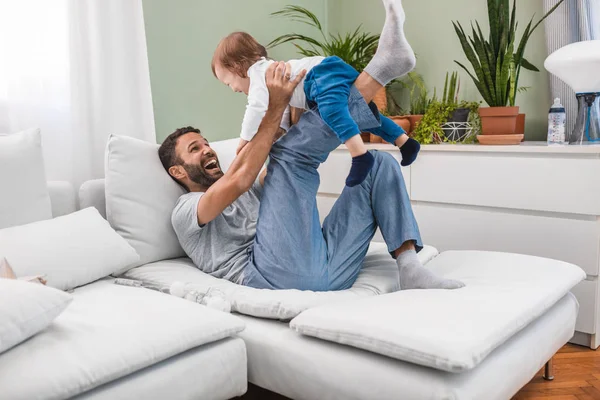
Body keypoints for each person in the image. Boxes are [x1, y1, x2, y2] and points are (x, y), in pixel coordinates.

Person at [158, 0, 465, 292]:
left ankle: (409, 266)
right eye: (195, 149)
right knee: (285, 158)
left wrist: (295, 107)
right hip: (271, 272)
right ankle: (381, 69)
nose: (208, 150)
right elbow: (241, 178)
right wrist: (274, 107)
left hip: (327, 267)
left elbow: (281, 183)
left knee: (378, 165)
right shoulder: (185, 211)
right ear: (177, 170)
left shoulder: (250, 189)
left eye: (206, 143)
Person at [211, 7, 420, 187]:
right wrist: (282, 129)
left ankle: (360, 156)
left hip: (321, 75)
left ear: (237, 67)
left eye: (228, 82)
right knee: (365, 116)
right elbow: (282, 106)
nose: (233, 89)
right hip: (325, 76)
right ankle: (404, 141)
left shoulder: (258, 73)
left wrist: (244, 139)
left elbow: (255, 108)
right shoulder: (269, 74)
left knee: (333, 112)